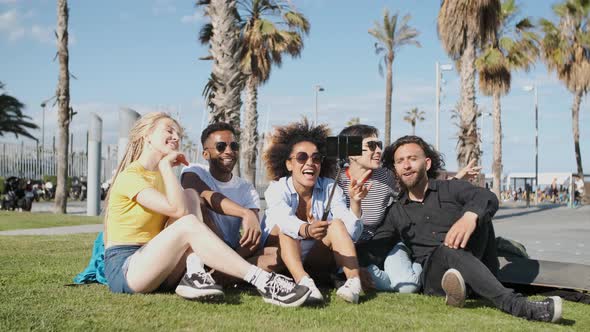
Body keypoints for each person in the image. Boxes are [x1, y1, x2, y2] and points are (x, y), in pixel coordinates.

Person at [103, 112, 310, 307]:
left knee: (190, 195)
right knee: (187, 219)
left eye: (178, 134)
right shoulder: (130, 176)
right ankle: (263, 281)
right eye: (169, 130)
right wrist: (166, 165)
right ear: (147, 135)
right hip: (128, 269)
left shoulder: (161, 176)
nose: (176, 137)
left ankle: (194, 272)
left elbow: (181, 209)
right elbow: (176, 211)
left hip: (159, 266)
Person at [382, 135, 562, 323]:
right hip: (435, 280)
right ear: (395, 168)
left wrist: (470, 216)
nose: (406, 165)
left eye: (412, 158)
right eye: (400, 161)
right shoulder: (396, 211)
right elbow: (376, 245)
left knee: (480, 216)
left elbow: (487, 197)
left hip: (474, 259)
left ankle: (469, 286)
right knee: (446, 250)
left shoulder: (450, 188)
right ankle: (517, 305)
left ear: (426, 163)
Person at [261, 119, 366, 304]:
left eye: (316, 158)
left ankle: (353, 283)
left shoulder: (330, 188)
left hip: (316, 259)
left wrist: (356, 204)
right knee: (287, 228)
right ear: (289, 164)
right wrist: (308, 230)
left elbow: (350, 234)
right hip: (278, 258)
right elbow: (284, 220)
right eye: (302, 157)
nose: (310, 163)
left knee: (337, 224)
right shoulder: (276, 189)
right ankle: (304, 284)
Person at [337, 125, 421, 293]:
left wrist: (455, 180)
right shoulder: (334, 180)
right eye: (371, 146)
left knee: (408, 287)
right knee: (393, 285)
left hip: (385, 246)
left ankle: (422, 264)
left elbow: (418, 190)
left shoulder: (387, 177)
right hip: (352, 254)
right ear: (351, 152)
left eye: (379, 145)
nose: (378, 151)